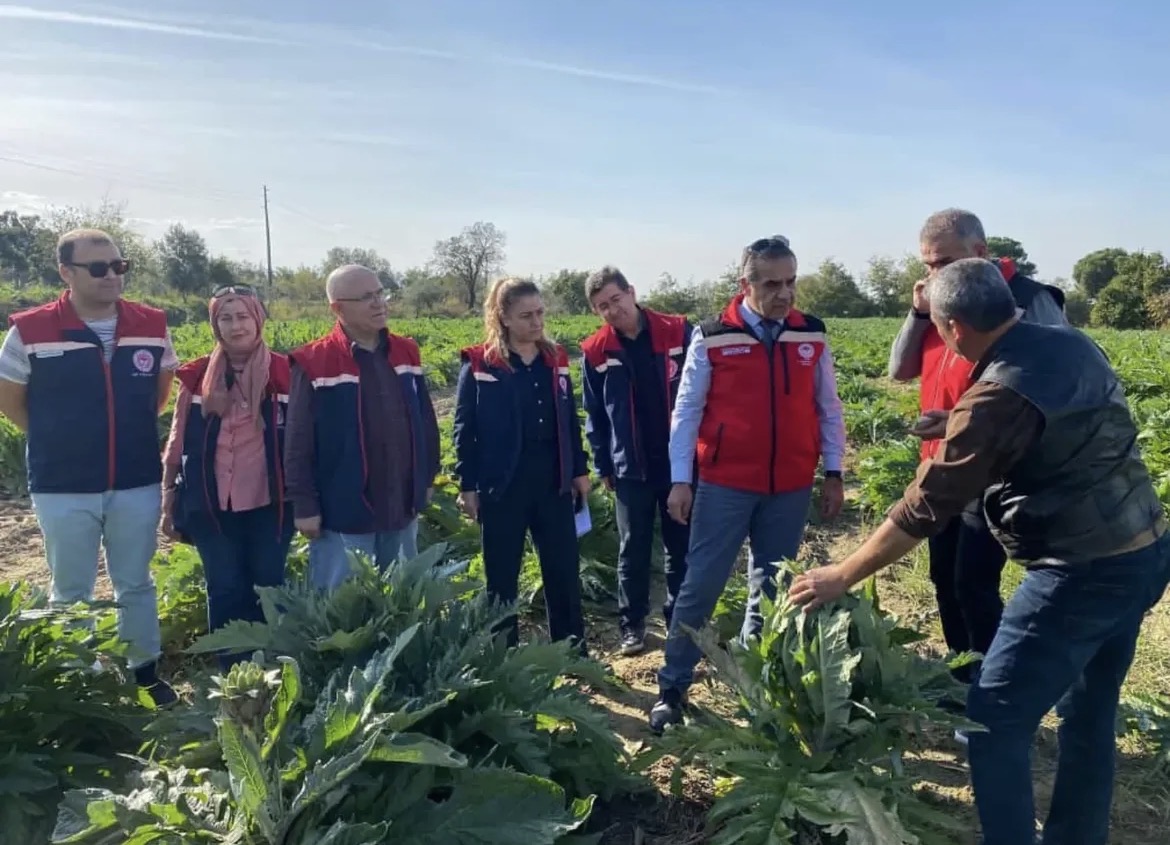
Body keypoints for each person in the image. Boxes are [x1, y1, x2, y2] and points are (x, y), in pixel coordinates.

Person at [791, 257, 1169, 845]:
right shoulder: (1070, 344)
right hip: (1144, 551)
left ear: (954, 328)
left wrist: (841, 572)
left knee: (991, 722)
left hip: (1080, 573)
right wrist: (957, 424)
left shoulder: (994, 399)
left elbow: (925, 507)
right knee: (1090, 715)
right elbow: (1057, 422)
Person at [649, 235, 847, 733]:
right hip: (725, 483)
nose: (785, 294)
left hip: (790, 485)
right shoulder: (713, 335)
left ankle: (755, 685)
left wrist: (834, 471)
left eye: (791, 282)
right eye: (773, 284)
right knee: (700, 587)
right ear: (747, 284)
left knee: (773, 588)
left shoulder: (811, 334)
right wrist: (680, 481)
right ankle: (672, 685)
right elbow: (687, 411)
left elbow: (829, 407)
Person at [0, 228, 180, 705]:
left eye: (119, 267)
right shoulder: (30, 330)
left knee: (135, 581)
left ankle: (144, 673)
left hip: (135, 479)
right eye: (98, 268)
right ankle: (81, 678)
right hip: (62, 484)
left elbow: (158, 397)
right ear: (66, 272)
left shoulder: (152, 324)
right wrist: (58, 437)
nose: (111, 276)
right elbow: (10, 399)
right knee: (71, 586)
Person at [888, 209, 1068, 684]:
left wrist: (961, 422)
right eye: (927, 265)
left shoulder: (1028, 300)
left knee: (974, 582)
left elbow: (1055, 381)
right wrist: (919, 313)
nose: (933, 275)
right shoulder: (939, 303)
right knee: (944, 579)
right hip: (940, 464)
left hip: (993, 467)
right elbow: (899, 370)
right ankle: (961, 676)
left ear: (981, 253)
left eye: (943, 262)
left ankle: (995, 682)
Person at [453, 277, 590, 650]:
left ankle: (572, 649)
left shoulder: (556, 359)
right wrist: (467, 486)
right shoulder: (481, 363)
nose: (536, 322)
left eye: (540, 312)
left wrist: (579, 470)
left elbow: (569, 420)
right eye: (526, 315)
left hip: (552, 481)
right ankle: (504, 655)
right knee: (501, 576)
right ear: (504, 318)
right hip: (502, 485)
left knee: (562, 569)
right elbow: (464, 429)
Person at [161, 286, 293, 669]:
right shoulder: (199, 376)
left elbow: (305, 441)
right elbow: (177, 437)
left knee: (268, 584)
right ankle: (234, 672)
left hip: (270, 502)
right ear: (215, 325)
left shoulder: (285, 373)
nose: (235, 326)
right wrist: (169, 493)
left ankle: (274, 664)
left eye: (243, 316)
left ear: (258, 320)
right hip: (210, 501)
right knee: (224, 586)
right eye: (225, 317)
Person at [284, 264, 440, 590]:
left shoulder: (406, 351)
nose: (379, 303)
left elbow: (425, 420)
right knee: (345, 614)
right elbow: (298, 441)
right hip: (344, 510)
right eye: (366, 297)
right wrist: (304, 505)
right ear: (337, 308)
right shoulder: (313, 361)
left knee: (402, 604)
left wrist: (426, 477)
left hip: (401, 503)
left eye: (381, 293)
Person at [580, 266, 693, 656]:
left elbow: (702, 396)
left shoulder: (678, 332)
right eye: (602, 307)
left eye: (615, 300)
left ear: (631, 292)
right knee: (633, 548)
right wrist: (603, 465)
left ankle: (680, 621)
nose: (612, 311)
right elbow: (593, 414)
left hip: (679, 464)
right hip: (630, 467)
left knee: (680, 545)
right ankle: (632, 626)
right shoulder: (596, 351)